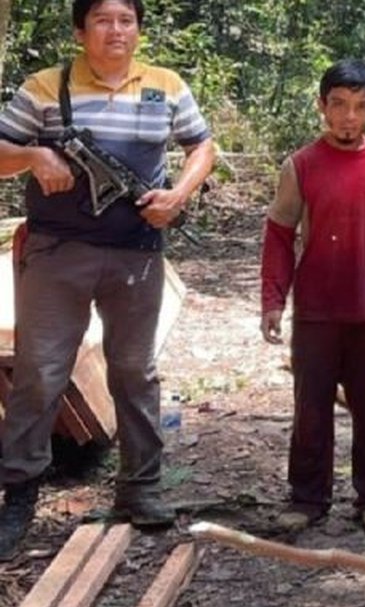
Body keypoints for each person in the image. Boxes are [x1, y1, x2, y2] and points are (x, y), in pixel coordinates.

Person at [0, 0, 214, 559]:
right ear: (80, 30)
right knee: (39, 375)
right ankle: (19, 493)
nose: (116, 30)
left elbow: (202, 145)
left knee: (134, 373)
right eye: (102, 19)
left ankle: (140, 489)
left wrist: (179, 194)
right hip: (56, 253)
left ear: (138, 29)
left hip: (136, 255)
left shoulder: (165, 84)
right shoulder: (45, 87)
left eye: (126, 19)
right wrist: (32, 155)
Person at [259, 60, 365, 534]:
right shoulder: (300, 165)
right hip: (317, 309)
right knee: (311, 405)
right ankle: (307, 496)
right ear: (322, 106)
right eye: (338, 105)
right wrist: (273, 300)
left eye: (360, 106)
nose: (348, 116)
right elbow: (278, 234)